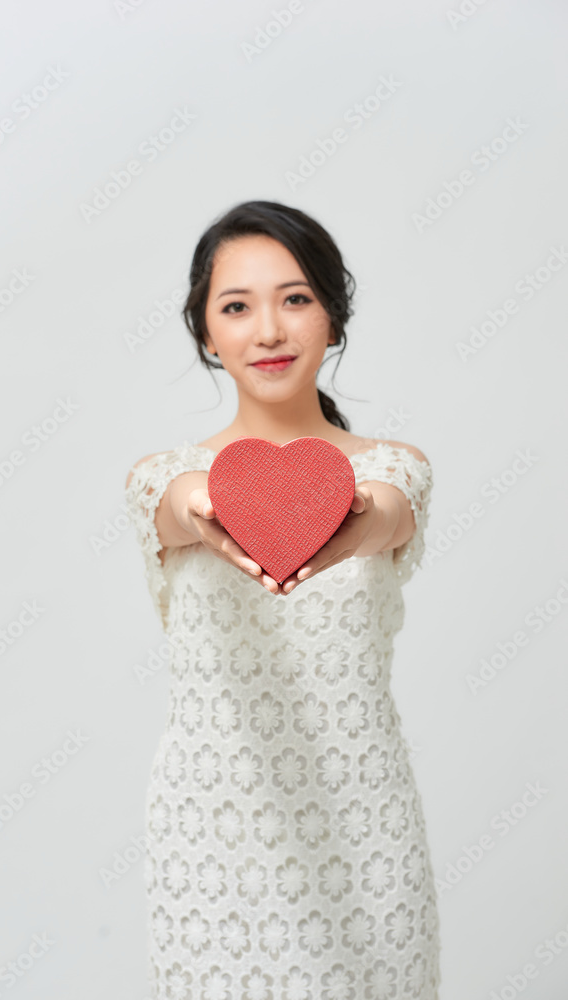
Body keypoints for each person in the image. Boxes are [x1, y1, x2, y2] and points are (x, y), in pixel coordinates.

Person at [125, 200, 441, 999]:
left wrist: (347, 515)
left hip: (361, 826)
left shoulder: (394, 470)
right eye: (236, 307)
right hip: (212, 834)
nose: (268, 330)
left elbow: (383, 517)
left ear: (333, 318)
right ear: (205, 333)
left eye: (295, 299)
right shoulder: (160, 478)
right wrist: (206, 502)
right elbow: (177, 506)